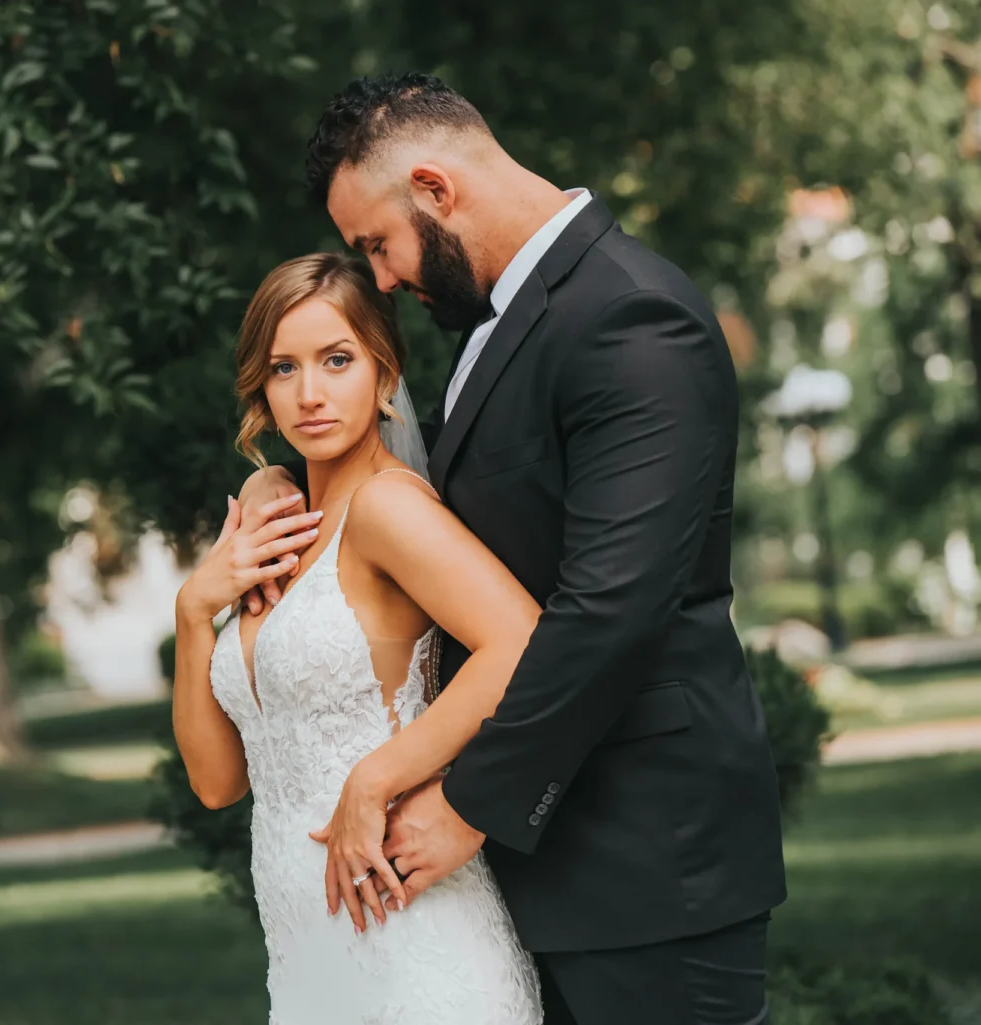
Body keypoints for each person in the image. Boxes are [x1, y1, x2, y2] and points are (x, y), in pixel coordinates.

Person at [234, 74, 786, 1025]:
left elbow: (611, 608)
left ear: (436, 191)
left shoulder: (630, 316)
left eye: (378, 243)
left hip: (649, 870)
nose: (383, 279)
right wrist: (273, 483)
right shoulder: (502, 326)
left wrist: (468, 803)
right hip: (531, 883)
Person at [173, 252, 543, 1024]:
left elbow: (520, 642)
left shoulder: (387, 510)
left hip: (412, 942)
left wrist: (372, 779)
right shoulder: (271, 526)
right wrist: (192, 609)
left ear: (382, 371)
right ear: (261, 390)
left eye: (336, 360)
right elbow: (217, 783)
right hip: (308, 958)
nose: (309, 393)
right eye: (283, 368)